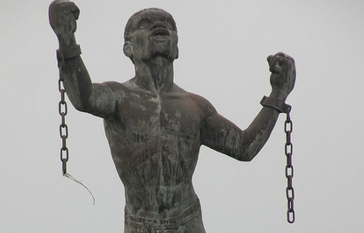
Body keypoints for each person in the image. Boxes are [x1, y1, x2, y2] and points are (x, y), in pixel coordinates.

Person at [49, 1, 296, 232]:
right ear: (128, 48)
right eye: (145, 25)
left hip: (187, 221)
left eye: (168, 25)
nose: (159, 26)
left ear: (176, 48)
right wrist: (67, 39)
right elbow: (84, 97)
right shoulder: (118, 96)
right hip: (140, 223)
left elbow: (244, 147)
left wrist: (277, 95)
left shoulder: (195, 107)